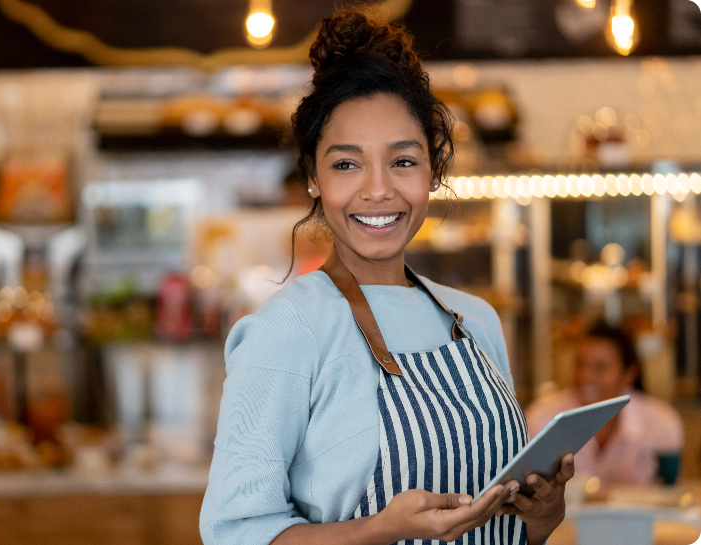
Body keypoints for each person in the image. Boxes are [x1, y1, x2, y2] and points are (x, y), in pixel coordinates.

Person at [200, 10, 573, 545]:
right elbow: (235, 535)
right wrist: (376, 531)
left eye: (402, 161)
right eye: (347, 165)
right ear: (313, 176)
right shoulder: (288, 330)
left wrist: (537, 522)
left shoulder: (478, 323)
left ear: (433, 170)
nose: (378, 190)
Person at [525, 322, 684, 485]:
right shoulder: (542, 418)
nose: (586, 376)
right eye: (580, 364)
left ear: (629, 374)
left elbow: (670, 492)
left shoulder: (661, 421)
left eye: (600, 367)